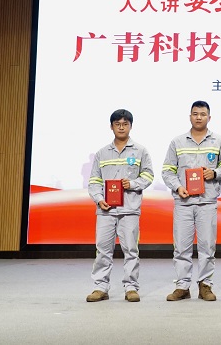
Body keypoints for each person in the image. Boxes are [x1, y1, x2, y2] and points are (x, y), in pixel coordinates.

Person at [161, 100, 221, 302]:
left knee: (207, 246)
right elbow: (167, 170)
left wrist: (214, 173)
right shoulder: (177, 142)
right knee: (181, 247)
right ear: (190, 116)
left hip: (207, 202)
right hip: (183, 202)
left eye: (202, 114)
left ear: (209, 117)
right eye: (195, 114)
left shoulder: (218, 141)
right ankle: (182, 286)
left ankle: (205, 285)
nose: (199, 117)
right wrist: (178, 187)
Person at [85, 109, 155, 303]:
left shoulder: (140, 151)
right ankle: (100, 287)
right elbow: (94, 181)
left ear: (131, 126)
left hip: (129, 209)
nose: (121, 127)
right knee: (103, 250)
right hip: (105, 210)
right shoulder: (102, 153)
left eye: (125, 124)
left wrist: (132, 184)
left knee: (131, 250)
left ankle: (131, 287)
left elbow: (148, 175)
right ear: (111, 127)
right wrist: (99, 199)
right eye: (117, 124)